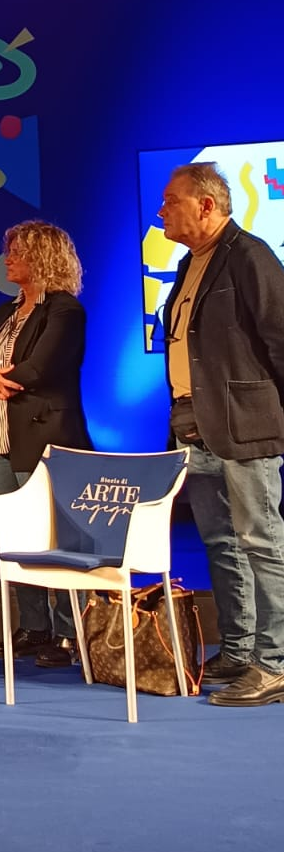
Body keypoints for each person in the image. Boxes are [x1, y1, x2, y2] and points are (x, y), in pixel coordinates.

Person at [160, 161, 284, 707]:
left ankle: (275, 663)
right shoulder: (189, 263)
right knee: (221, 543)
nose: (162, 210)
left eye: (172, 201)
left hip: (244, 425)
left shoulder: (250, 255)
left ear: (206, 205)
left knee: (262, 541)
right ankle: (239, 650)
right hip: (194, 425)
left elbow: (280, 338)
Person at [0, 220, 90, 666]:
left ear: (42, 257)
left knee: (55, 537)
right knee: (16, 538)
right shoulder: (6, 311)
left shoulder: (65, 311)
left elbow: (39, 369)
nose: (8, 259)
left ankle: (70, 633)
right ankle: (34, 626)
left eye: (16, 252)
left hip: (43, 438)